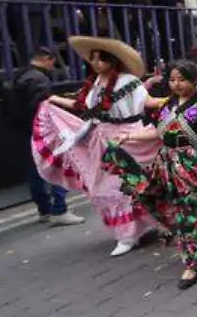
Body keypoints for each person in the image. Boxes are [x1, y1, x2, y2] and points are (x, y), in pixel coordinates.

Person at [105, 61, 197, 288]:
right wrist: (128, 137)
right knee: (180, 211)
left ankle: (192, 264)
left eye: (182, 79)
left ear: (195, 81)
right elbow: (157, 134)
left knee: (196, 208)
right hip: (168, 165)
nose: (177, 84)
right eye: (172, 80)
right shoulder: (165, 106)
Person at [33, 37, 158, 256]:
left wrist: (177, 100)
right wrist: (53, 100)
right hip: (100, 140)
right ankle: (128, 233)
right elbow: (81, 106)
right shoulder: (94, 84)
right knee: (106, 188)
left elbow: (148, 103)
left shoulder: (128, 81)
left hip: (129, 138)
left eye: (101, 59)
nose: (96, 63)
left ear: (112, 60)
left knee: (131, 186)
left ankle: (132, 233)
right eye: (93, 59)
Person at [8, 46, 83, 226]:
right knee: (58, 165)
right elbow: (42, 106)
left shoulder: (20, 76)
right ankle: (59, 209)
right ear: (46, 58)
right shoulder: (38, 79)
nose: (53, 66)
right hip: (41, 131)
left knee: (35, 170)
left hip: (24, 130)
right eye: (52, 61)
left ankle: (45, 209)